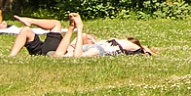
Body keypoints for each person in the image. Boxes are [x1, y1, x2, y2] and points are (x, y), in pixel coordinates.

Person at [10, 13, 155, 58]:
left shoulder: (100, 46)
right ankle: (11, 57)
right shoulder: (100, 45)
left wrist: (77, 30)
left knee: (56, 24)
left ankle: (74, 27)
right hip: (54, 51)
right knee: (26, 31)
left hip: (55, 51)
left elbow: (75, 54)